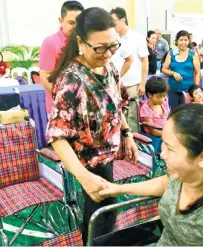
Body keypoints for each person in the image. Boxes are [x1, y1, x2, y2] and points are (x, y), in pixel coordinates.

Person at [46, 7, 138, 244]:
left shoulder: (109, 68)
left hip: (108, 155)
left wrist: (127, 133)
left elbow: (116, 105)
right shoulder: (71, 80)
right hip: (87, 164)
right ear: (81, 42)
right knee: (100, 219)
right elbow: (58, 136)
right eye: (100, 47)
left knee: (105, 216)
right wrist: (84, 176)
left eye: (113, 46)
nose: (108, 53)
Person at [100, 104, 203, 246]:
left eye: (171, 149)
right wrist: (117, 189)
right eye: (164, 144)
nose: (162, 154)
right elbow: (163, 183)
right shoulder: (186, 175)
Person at [39, 1, 84, 116]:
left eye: (79, 23)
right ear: (61, 20)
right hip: (60, 109)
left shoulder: (85, 42)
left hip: (83, 108)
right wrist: (66, 101)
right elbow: (45, 79)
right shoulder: (50, 43)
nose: (76, 27)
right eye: (71, 23)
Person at [110, 7, 149, 132]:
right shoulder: (112, 37)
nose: (111, 24)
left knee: (131, 118)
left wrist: (142, 83)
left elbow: (144, 61)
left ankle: (135, 146)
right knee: (116, 117)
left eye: (113, 21)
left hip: (132, 84)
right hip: (114, 84)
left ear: (123, 20)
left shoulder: (137, 37)